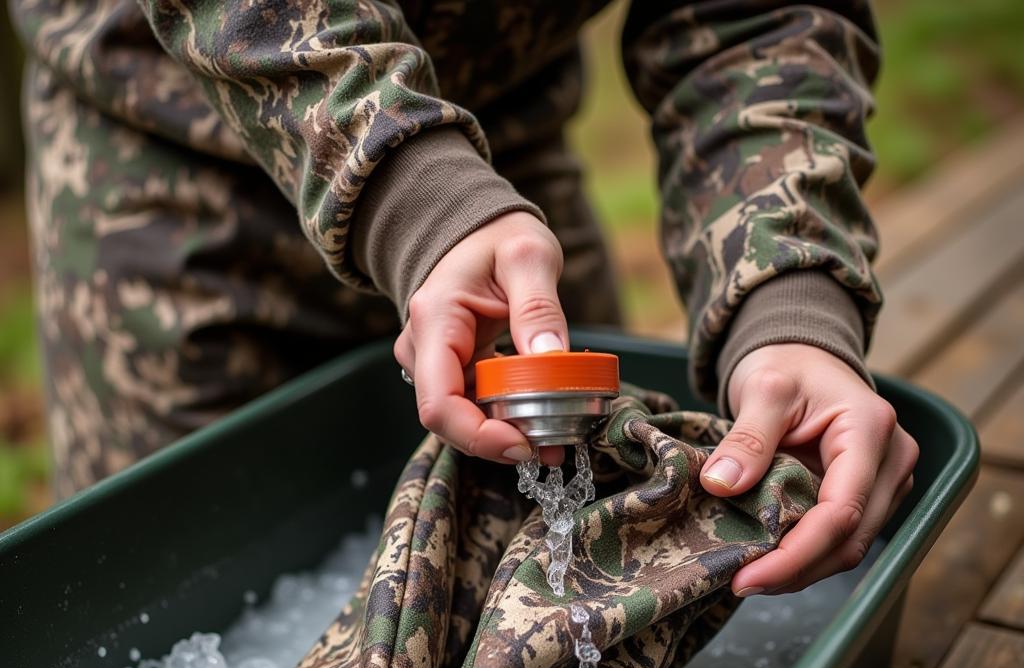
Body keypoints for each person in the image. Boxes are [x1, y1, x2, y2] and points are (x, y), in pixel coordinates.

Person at [11, 0, 917, 597]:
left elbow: (757, 15)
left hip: (504, 154)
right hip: (174, 174)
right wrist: (420, 200)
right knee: (182, 597)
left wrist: (789, 302)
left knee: (589, 558)